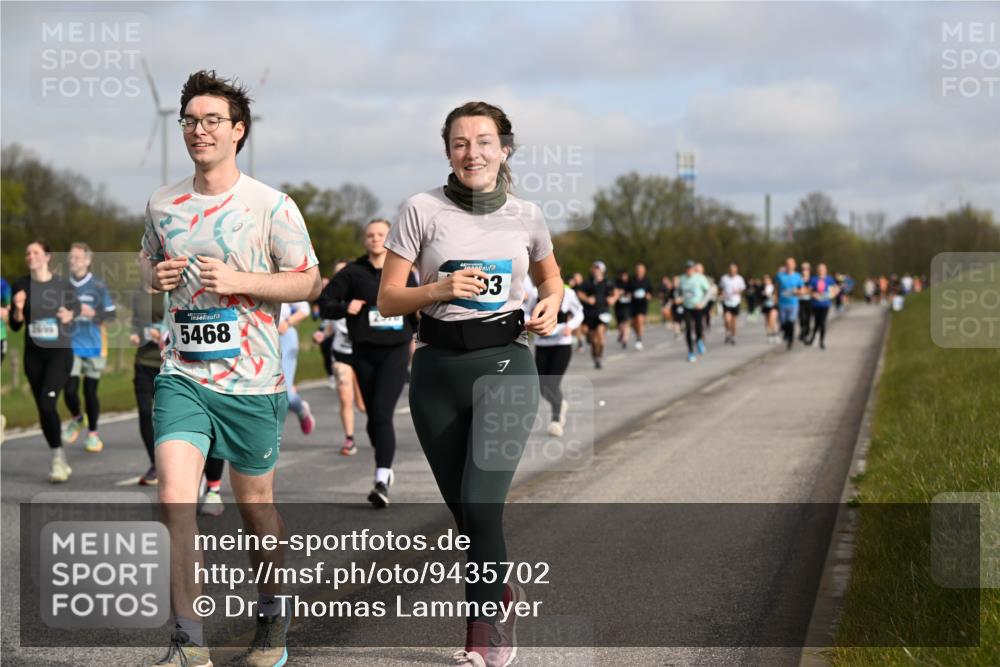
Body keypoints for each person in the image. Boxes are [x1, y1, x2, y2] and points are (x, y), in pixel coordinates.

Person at [141, 70, 320, 667]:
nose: (199, 130)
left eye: (212, 120)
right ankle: (187, 642)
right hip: (183, 373)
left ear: (238, 131)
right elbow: (147, 265)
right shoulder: (162, 203)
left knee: (255, 511)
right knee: (175, 498)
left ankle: (271, 621)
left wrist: (240, 281)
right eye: (190, 120)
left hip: (253, 382)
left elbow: (309, 281)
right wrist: (156, 278)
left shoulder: (271, 205)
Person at [378, 101, 561, 667]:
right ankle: (500, 589)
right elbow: (388, 299)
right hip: (435, 370)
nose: (472, 152)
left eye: (484, 141)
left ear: (504, 149)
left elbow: (550, 277)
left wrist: (551, 300)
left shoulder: (527, 214)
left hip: (506, 363)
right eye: (460, 143)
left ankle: (484, 638)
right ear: (447, 152)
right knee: (465, 510)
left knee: (481, 507)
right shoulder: (420, 209)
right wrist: (440, 289)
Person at [318, 219, 416, 507]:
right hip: (364, 351)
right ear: (365, 240)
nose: (375, 239)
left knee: (383, 413)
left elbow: (416, 305)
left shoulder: (402, 270)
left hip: (396, 350)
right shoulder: (352, 273)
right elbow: (324, 303)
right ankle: (384, 463)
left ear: (389, 238)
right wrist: (344, 307)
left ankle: (381, 478)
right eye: (370, 235)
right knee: (373, 416)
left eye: (381, 235)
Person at [8, 241, 80, 482]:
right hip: (33, 356)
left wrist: (69, 315)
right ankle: (58, 456)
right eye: (27, 252)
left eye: (36, 252)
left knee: (48, 403)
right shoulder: (20, 285)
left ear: (47, 256)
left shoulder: (61, 284)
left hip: (59, 353)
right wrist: (18, 309)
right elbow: (16, 325)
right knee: (42, 408)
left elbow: (76, 309)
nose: (30, 256)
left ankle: (58, 462)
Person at [62, 242, 117, 453]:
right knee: (69, 390)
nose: (72, 261)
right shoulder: (63, 285)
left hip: (95, 344)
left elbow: (111, 315)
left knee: (90, 391)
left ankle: (93, 435)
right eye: (70, 257)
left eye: (76, 257)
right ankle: (77, 417)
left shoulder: (98, 286)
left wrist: (91, 313)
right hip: (70, 344)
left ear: (87, 260)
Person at [317, 260, 366, 456]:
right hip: (341, 354)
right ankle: (349, 439)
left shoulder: (364, 297)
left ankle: (378, 430)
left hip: (363, 354)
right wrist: (322, 335)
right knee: (346, 398)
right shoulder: (333, 302)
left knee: (363, 405)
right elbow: (330, 326)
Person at [528, 278, 584, 436]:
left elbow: (579, 312)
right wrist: (530, 322)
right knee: (542, 387)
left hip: (562, 344)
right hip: (542, 345)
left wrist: (570, 326)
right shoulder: (534, 293)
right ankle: (560, 404)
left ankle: (556, 420)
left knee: (552, 383)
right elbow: (526, 310)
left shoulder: (568, 293)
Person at [129, 271, 166, 485]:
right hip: (143, 362)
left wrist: (157, 333)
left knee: (166, 418)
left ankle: (173, 463)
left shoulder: (169, 291)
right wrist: (135, 334)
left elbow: (174, 322)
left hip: (165, 363)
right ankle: (155, 463)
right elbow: (136, 323)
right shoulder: (137, 295)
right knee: (144, 412)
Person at [278, 299, 316, 434]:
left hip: (283, 336)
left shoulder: (280, 280)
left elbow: (305, 309)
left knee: (284, 393)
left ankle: (301, 409)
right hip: (258, 338)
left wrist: (287, 323)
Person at [577, 261, 617, 369]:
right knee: (593, 340)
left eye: (598, 268)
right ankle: (596, 357)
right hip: (589, 314)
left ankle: (599, 357)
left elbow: (615, 292)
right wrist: (587, 299)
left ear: (603, 270)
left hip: (602, 313)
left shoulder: (607, 282)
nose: (596, 270)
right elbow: (580, 293)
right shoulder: (588, 282)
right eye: (594, 268)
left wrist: (613, 299)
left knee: (600, 336)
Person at [677, 260, 710, 362]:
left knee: (698, 327)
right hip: (687, 307)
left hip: (698, 307)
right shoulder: (682, 279)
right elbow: (678, 292)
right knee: (688, 329)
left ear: (694, 269)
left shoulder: (700, 278)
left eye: (691, 268)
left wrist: (702, 303)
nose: (689, 270)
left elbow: (709, 291)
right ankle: (690, 352)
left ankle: (699, 340)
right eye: (687, 268)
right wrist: (679, 298)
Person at [775, 257, 806, 350]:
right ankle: (786, 334)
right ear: (785, 265)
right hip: (782, 303)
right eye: (787, 264)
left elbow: (802, 289)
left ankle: (790, 340)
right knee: (783, 323)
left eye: (791, 264)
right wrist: (775, 297)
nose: (789, 266)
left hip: (793, 303)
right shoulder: (780, 276)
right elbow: (776, 287)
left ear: (794, 265)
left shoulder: (798, 276)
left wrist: (799, 292)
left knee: (791, 322)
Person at [806, 263, 838, 349]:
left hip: (825, 304)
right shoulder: (813, 279)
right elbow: (808, 290)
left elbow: (836, 288)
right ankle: (812, 338)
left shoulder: (829, 279)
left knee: (822, 322)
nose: (821, 271)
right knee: (816, 323)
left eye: (822, 269)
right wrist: (813, 294)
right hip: (815, 304)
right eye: (819, 269)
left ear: (825, 270)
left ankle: (821, 341)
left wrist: (833, 293)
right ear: (817, 270)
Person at [718, 263, 746, 345]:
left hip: (736, 301)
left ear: (736, 271)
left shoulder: (739, 278)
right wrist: (721, 294)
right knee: (727, 319)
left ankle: (733, 336)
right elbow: (721, 288)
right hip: (726, 301)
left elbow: (742, 288)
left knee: (733, 321)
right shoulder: (724, 278)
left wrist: (738, 291)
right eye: (731, 270)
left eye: (734, 270)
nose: (732, 272)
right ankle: (727, 332)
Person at [629, 262, 652, 350]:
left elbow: (650, 292)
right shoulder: (632, 280)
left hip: (642, 304)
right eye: (638, 270)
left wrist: (648, 295)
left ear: (644, 271)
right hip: (633, 304)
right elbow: (628, 291)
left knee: (640, 320)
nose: (639, 272)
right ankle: (638, 334)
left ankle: (639, 339)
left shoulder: (647, 281)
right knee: (633, 323)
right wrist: (630, 294)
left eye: (641, 270)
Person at [612, 268, 632, 349]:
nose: (624, 277)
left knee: (626, 322)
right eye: (622, 276)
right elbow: (613, 291)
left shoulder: (630, 283)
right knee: (619, 323)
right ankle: (621, 333)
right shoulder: (616, 283)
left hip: (627, 305)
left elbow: (633, 291)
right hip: (618, 305)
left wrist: (629, 294)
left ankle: (625, 339)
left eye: (625, 276)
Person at [797, 261, 813, 344]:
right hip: (800, 301)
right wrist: (801, 291)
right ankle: (803, 332)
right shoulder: (798, 278)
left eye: (806, 268)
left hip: (810, 301)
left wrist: (806, 291)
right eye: (803, 269)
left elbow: (813, 289)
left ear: (809, 269)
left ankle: (806, 333)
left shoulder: (812, 279)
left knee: (808, 319)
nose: (804, 270)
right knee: (801, 318)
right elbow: (795, 289)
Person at [760, 274, 779, 343]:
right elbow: (759, 297)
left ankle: (775, 334)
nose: (766, 281)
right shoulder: (762, 288)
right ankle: (769, 335)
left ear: (770, 280)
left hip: (773, 306)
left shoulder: (774, 287)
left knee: (772, 320)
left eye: (767, 280)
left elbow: (776, 296)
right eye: (764, 280)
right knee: (767, 321)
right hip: (766, 306)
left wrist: (772, 297)